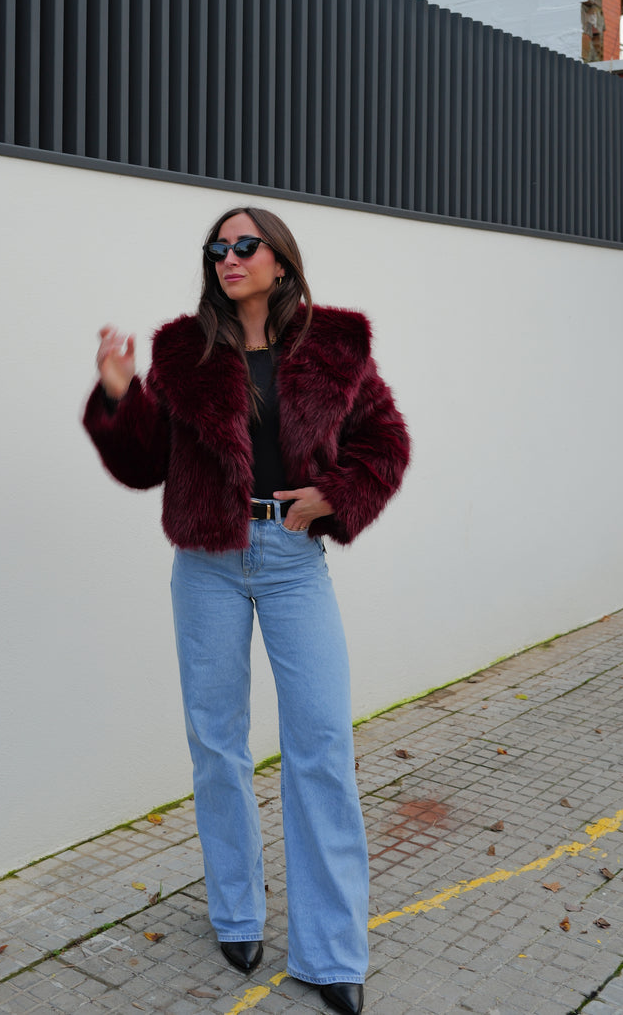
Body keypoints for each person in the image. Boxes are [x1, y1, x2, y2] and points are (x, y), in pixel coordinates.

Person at [83, 207, 410, 1015]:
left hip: (294, 562)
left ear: (280, 259)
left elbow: (386, 442)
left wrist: (331, 495)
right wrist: (119, 393)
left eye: (243, 244)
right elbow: (144, 464)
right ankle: (236, 910)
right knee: (217, 742)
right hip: (208, 564)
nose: (227, 257)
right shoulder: (183, 353)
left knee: (323, 747)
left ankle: (331, 951)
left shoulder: (337, 345)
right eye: (216, 248)